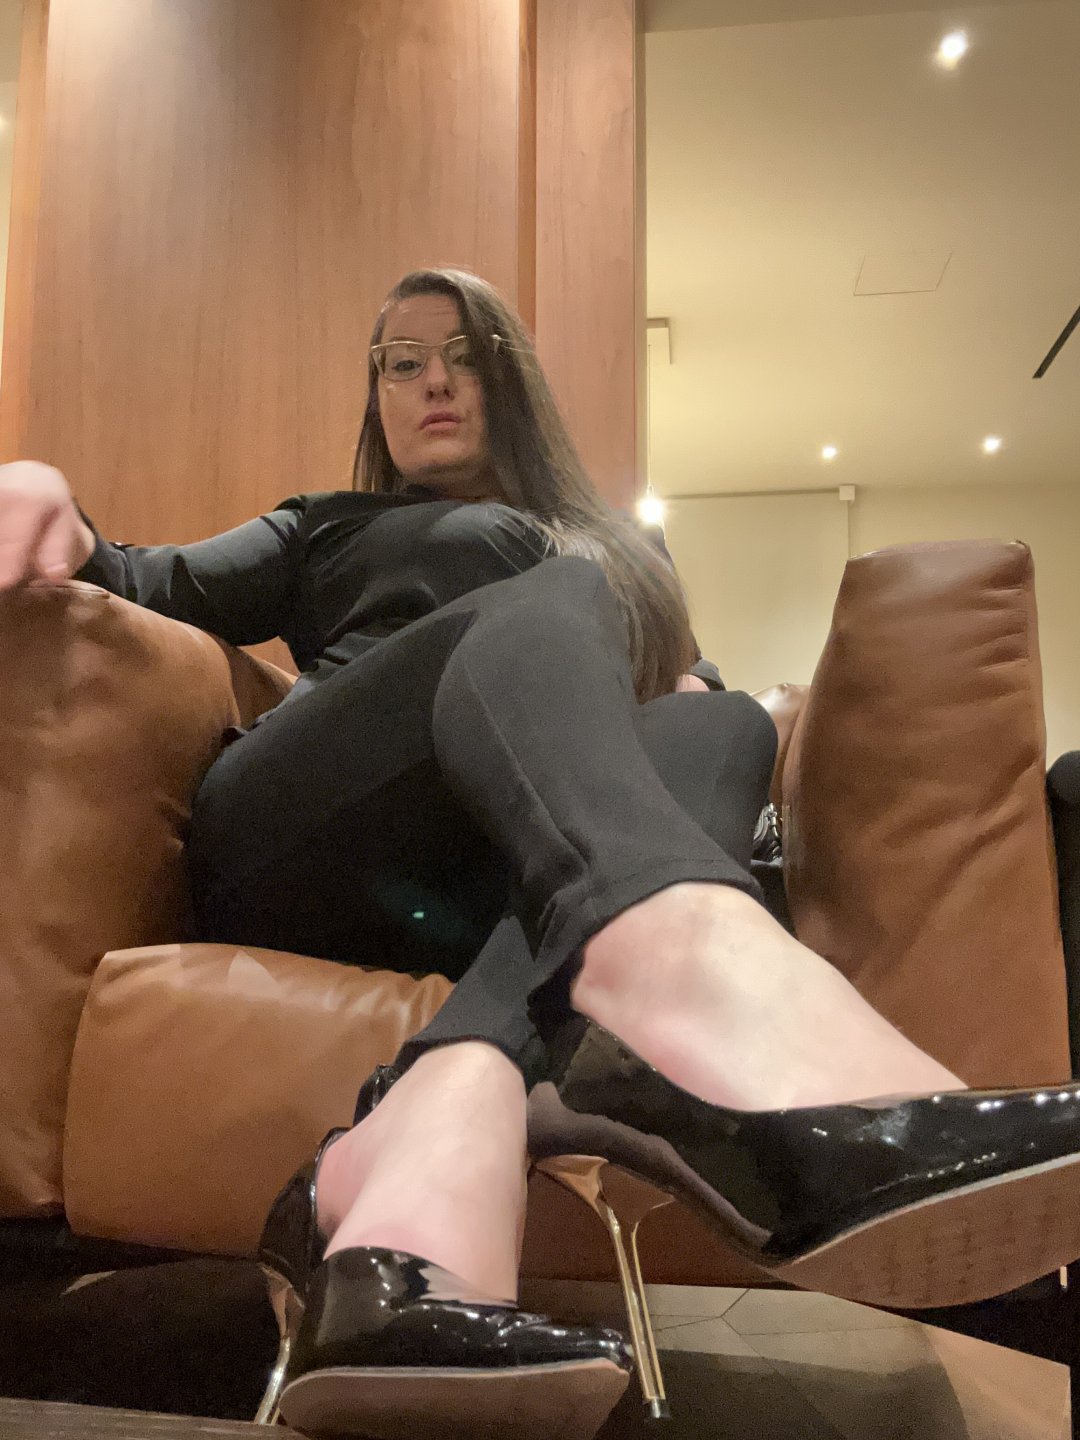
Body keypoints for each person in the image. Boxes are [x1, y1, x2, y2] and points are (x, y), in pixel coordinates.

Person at [3, 267, 1080, 1440]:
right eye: (402, 363)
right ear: (377, 392)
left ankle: (415, 1158)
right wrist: (50, 495)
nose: (432, 383)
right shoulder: (327, 527)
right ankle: (671, 968)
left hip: (514, 896)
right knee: (562, 597)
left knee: (718, 722)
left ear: (512, 379)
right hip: (314, 833)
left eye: (463, 356)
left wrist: (685, 696)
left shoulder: (624, 558)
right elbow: (137, 579)